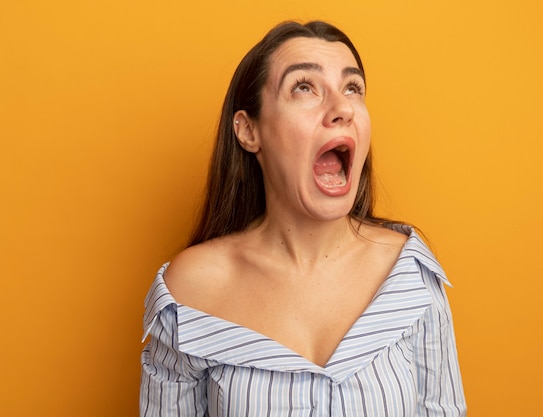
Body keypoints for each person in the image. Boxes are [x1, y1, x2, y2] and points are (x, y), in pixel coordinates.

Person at [140, 20, 466, 416]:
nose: (341, 108)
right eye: (304, 87)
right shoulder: (191, 291)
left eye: (352, 88)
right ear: (248, 131)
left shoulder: (408, 275)